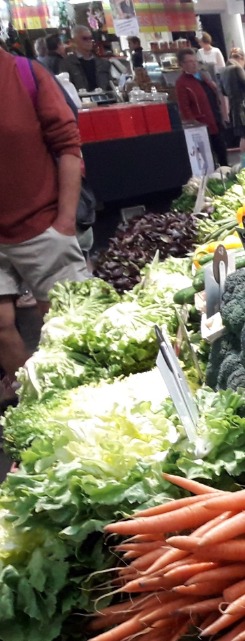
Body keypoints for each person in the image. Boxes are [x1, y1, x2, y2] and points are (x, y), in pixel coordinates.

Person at [0, 45, 88, 396]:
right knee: (1, 328)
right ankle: (41, 401)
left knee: (68, 327)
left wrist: (64, 221)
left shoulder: (26, 74)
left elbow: (68, 145)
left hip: (42, 225)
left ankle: (83, 398)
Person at [176, 48, 227, 167]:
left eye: (195, 61)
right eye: (190, 62)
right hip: (201, 124)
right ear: (182, 64)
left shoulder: (204, 76)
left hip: (215, 119)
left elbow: (215, 94)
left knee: (221, 150)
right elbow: (184, 107)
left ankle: (225, 171)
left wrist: (224, 113)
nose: (194, 64)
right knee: (207, 156)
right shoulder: (182, 83)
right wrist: (193, 124)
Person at [222, 48, 245, 156]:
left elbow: (223, 91)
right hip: (244, 108)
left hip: (234, 107)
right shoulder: (237, 68)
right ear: (239, 58)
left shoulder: (224, 70)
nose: (244, 65)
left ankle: (244, 160)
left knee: (243, 136)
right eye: (244, 62)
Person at [64, 26, 113, 92]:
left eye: (91, 38)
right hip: (80, 101)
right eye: (84, 38)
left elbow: (111, 85)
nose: (89, 41)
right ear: (74, 41)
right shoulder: (67, 64)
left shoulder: (103, 63)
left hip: (105, 100)